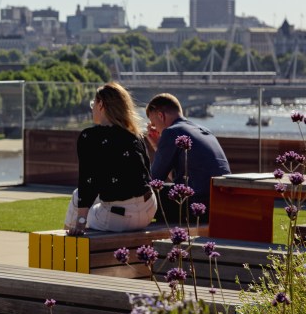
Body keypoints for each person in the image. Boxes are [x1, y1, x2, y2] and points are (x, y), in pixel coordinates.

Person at [64, 82, 157, 234]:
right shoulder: (135, 135)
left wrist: (81, 222)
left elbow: (87, 182)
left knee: (77, 197)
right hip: (148, 210)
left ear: (101, 105)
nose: (92, 108)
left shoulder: (90, 136)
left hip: (119, 218)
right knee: (85, 197)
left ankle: (65, 248)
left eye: (93, 103)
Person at [145, 93, 230, 222]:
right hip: (220, 204)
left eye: (153, 124)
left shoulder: (171, 132)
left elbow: (154, 180)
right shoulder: (205, 131)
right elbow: (180, 178)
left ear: (160, 116)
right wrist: (157, 146)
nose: (155, 129)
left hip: (194, 206)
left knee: (139, 197)